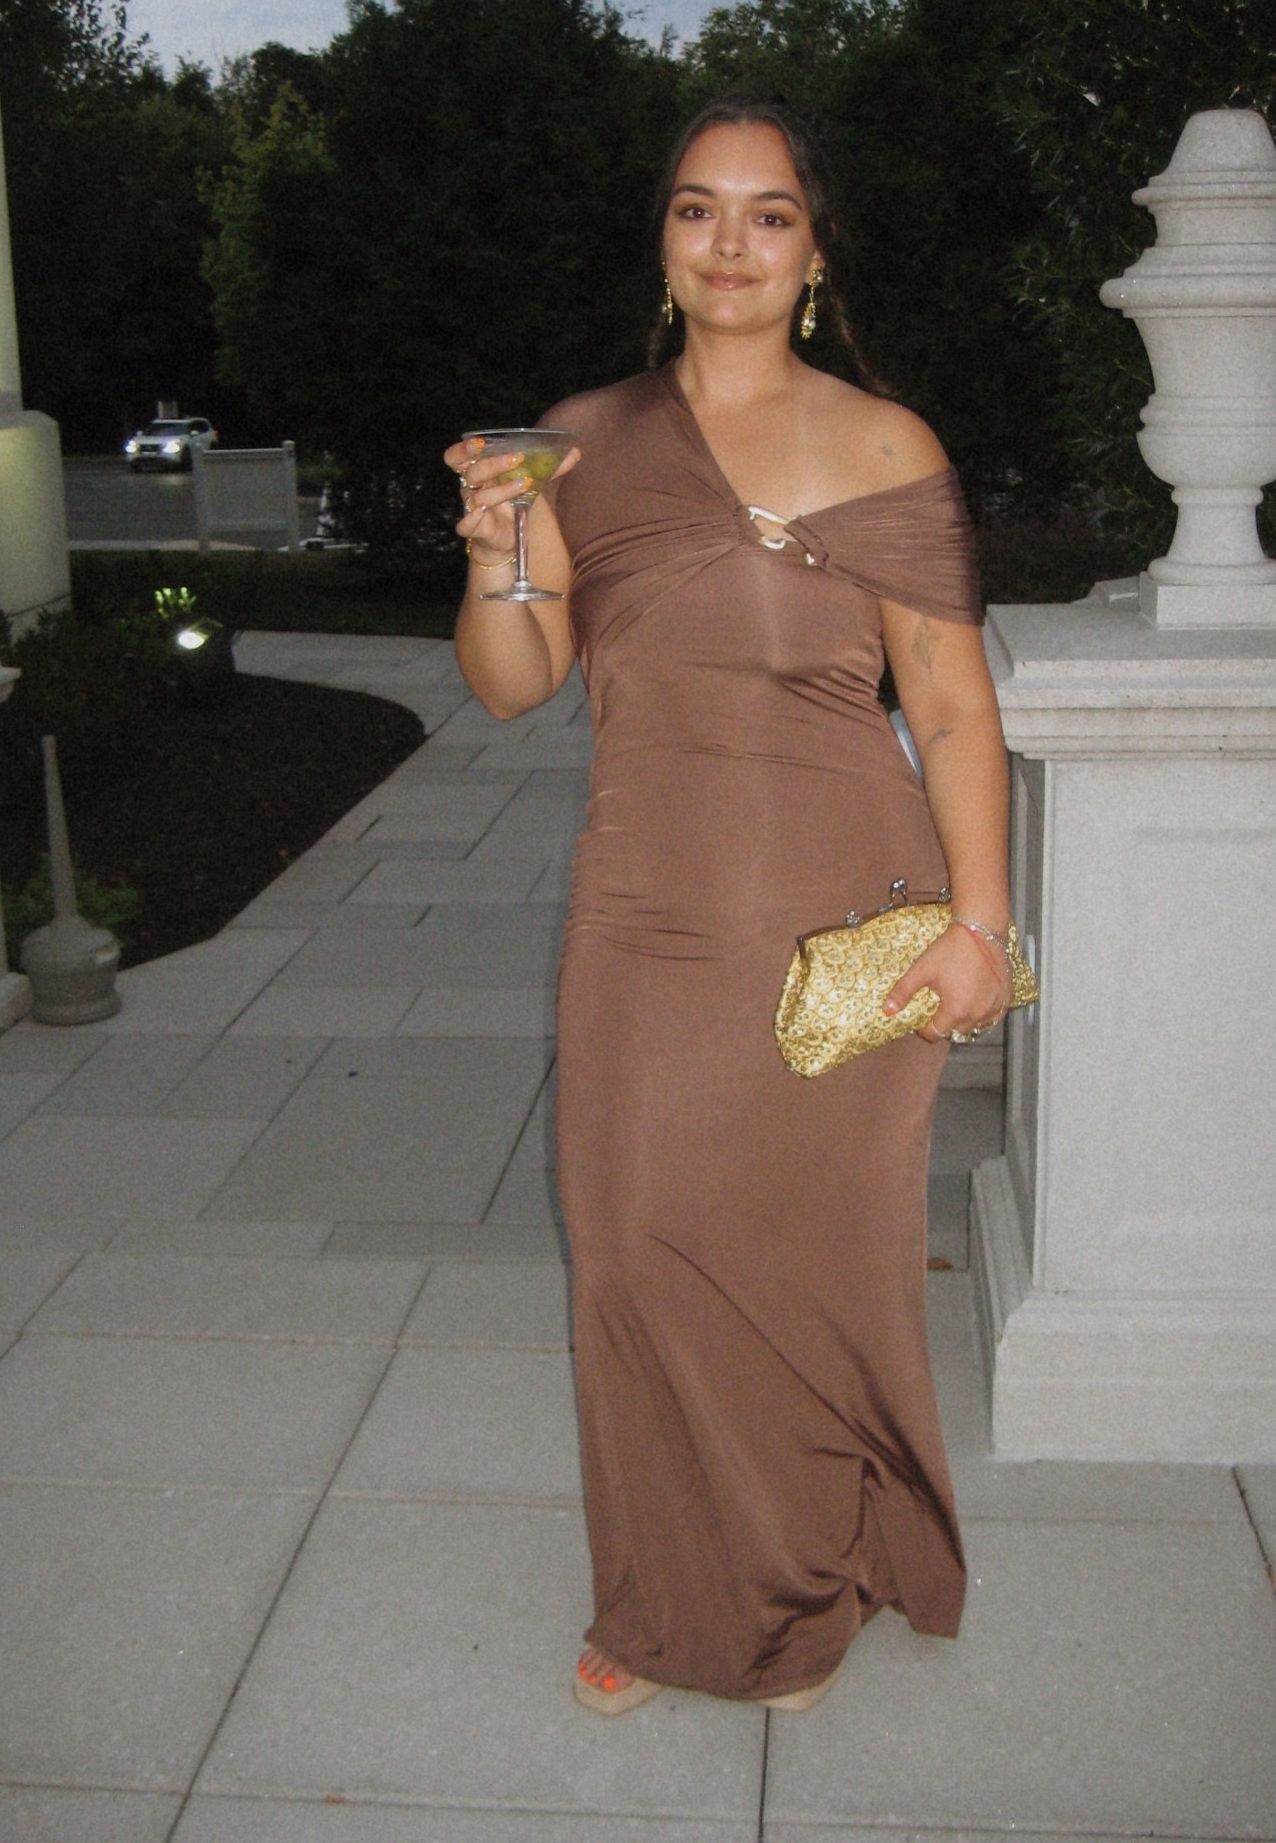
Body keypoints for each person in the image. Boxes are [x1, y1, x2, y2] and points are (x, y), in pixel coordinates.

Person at [446, 97, 1011, 1716]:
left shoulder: (888, 445)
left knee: (807, 1264)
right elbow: (514, 683)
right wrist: (498, 552)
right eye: (700, 209)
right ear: (664, 240)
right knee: (632, 1251)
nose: (731, 244)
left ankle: (793, 1600)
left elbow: (949, 707)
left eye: (770, 215)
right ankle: (674, 1587)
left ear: (815, 251)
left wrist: (983, 926)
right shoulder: (581, 439)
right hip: (647, 910)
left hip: (847, 906)